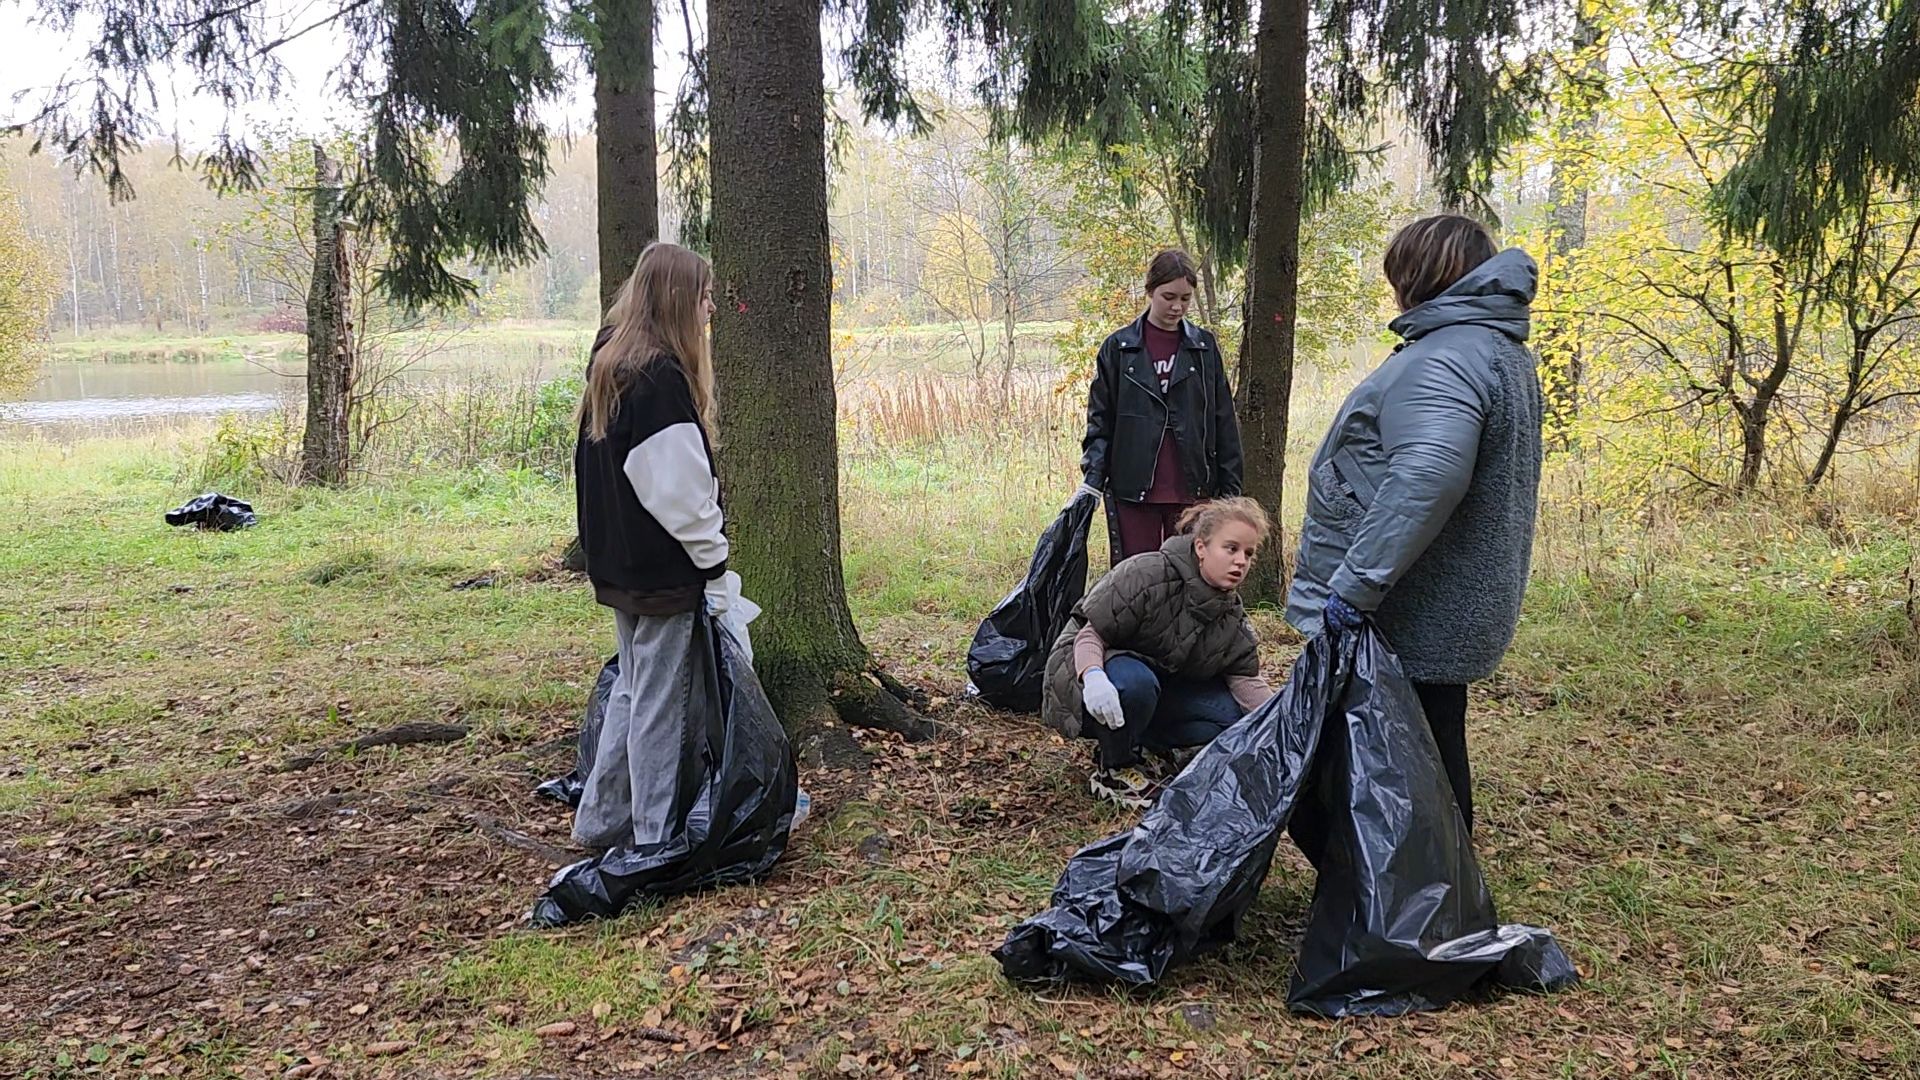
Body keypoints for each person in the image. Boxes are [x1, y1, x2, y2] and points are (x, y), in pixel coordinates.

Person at [1287, 214, 1545, 835]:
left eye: (1397, 276)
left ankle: (1414, 878)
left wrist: (1353, 589)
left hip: (1417, 598)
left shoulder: (1447, 358)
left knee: (1398, 748)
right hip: (1458, 589)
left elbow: (1425, 480)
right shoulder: (1496, 348)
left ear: (1420, 276)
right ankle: (1436, 872)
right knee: (1431, 736)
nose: (1395, 291)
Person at [571, 241, 746, 851]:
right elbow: (678, 493)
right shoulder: (658, 380)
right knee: (658, 705)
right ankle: (654, 836)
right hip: (661, 571)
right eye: (704, 296)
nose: (710, 308)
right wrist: (715, 565)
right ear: (677, 299)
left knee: (632, 688)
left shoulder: (612, 358)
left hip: (619, 564)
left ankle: (600, 821)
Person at [1042, 497, 1275, 809]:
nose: (1240, 561)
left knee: (1231, 717)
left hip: (1159, 686)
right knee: (1135, 685)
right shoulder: (1147, 573)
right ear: (1201, 547)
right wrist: (1093, 677)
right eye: (1230, 548)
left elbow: (1245, 680)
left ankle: (1149, 747)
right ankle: (1115, 766)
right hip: (1093, 675)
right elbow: (1090, 634)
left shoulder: (1231, 615)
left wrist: (1284, 719)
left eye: (1248, 553)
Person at [1077, 251, 1244, 565]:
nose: (1177, 306)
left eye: (1185, 298)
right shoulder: (1119, 348)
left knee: (1190, 576)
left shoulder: (1203, 348)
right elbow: (1100, 422)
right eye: (1169, 297)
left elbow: (1224, 422)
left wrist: (1231, 491)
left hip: (1194, 489)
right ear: (1150, 291)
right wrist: (1092, 482)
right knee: (1135, 576)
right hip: (1132, 487)